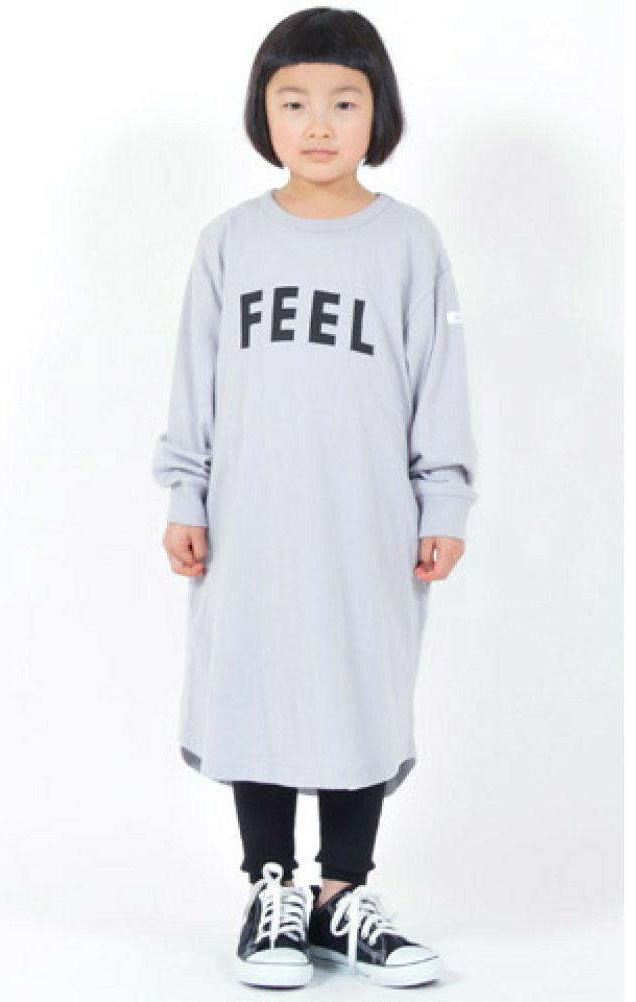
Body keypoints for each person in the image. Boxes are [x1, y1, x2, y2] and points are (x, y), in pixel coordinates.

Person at [152, 7, 478, 989]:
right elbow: (195, 378)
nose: (319, 123)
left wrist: (443, 500)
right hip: (248, 517)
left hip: (366, 520)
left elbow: (440, 382)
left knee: (356, 685)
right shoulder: (229, 242)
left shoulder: (409, 243)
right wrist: (185, 492)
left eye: (344, 101)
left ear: (381, 114)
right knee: (254, 680)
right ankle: (271, 890)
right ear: (264, 114)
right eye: (293, 102)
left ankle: (342, 895)